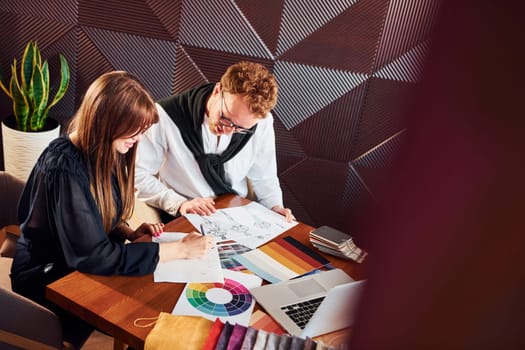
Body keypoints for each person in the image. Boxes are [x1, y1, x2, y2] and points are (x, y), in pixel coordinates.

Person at [10, 71, 214, 347]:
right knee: (141, 312)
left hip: (73, 262)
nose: (139, 139)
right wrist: (177, 250)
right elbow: (92, 257)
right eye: (135, 130)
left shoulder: (105, 151)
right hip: (47, 277)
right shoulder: (65, 168)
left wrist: (128, 232)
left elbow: (89, 216)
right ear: (107, 122)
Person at [134, 61, 294, 222]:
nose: (228, 130)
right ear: (218, 90)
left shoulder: (262, 123)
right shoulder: (164, 116)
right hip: (185, 215)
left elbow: (264, 176)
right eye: (226, 118)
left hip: (237, 214)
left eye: (241, 129)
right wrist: (179, 204)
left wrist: (275, 207)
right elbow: (137, 174)